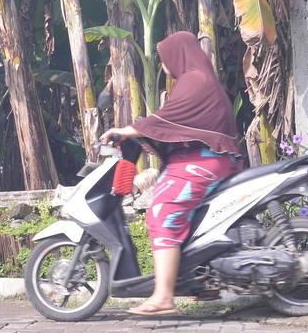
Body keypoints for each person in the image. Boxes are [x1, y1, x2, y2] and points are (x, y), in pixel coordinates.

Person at [100, 31, 242, 316]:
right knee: (192, 221)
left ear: (178, 54)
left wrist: (127, 130)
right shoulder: (198, 79)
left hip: (203, 161)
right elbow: (175, 126)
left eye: (166, 57)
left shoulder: (194, 81)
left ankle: (164, 296)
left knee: (162, 211)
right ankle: (202, 283)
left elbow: (168, 120)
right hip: (206, 159)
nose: (164, 64)